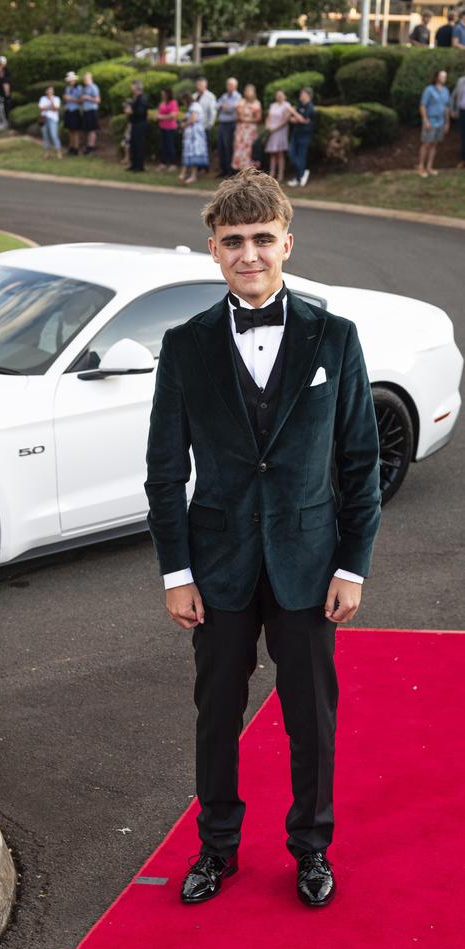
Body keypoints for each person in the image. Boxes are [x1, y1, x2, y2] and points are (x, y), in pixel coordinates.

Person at [144, 167, 381, 910]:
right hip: (216, 567)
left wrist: (353, 564)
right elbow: (162, 472)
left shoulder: (334, 337)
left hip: (311, 564)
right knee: (217, 716)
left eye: (262, 239)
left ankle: (311, 848)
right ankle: (217, 849)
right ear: (213, 250)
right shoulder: (184, 346)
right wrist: (175, 573)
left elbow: (360, 462)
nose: (249, 254)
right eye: (233, 241)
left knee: (311, 717)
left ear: (287, 242)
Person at [418, 69, 451, 176]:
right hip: (430, 120)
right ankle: (421, 166)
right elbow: (422, 106)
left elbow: (446, 108)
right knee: (426, 144)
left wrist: (447, 123)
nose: (444, 78)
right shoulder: (429, 90)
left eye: (445, 76)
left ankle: (429, 167)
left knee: (434, 145)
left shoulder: (446, 91)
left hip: (441, 121)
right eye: (442, 76)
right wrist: (425, 120)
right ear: (437, 77)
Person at [287, 86, 315, 188]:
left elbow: (303, 120)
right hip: (296, 133)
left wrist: (293, 112)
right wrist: (297, 117)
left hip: (305, 135)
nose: (300, 96)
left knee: (301, 157)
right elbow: (293, 119)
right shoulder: (299, 105)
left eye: (302, 94)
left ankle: (299, 177)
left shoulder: (310, 107)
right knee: (291, 154)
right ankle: (302, 174)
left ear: (308, 95)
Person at [179, 92, 209, 184]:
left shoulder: (195, 106)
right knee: (189, 154)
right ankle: (183, 174)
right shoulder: (192, 107)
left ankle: (191, 175)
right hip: (191, 135)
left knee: (193, 155)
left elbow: (193, 119)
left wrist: (184, 124)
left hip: (195, 136)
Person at [231, 84, 262, 172]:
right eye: (247, 91)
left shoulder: (257, 103)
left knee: (249, 150)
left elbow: (258, 118)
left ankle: (249, 171)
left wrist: (247, 119)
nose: (248, 93)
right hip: (241, 130)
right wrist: (246, 118)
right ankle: (240, 171)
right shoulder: (241, 102)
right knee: (240, 149)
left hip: (250, 131)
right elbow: (239, 116)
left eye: (250, 91)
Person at [265, 89, 292, 182]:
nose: (279, 97)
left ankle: (280, 175)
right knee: (272, 153)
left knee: (280, 153)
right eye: (278, 95)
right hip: (271, 131)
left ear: (284, 96)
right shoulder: (273, 105)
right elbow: (268, 117)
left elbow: (285, 120)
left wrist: (275, 128)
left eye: (281, 95)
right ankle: (271, 174)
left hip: (280, 131)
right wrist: (268, 126)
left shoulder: (287, 105)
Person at [216, 77, 241, 177]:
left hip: (230, 124)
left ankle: (230, 171)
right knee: (221, 147)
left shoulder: (238, 96)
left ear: (235, 86)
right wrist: (223, 106)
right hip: (222, 124)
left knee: (228, 147)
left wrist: (224, 107)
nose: (228, 87)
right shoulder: (224, 95)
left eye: (230, 85)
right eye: (227, 85)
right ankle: (223, 170)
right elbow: (216, 105)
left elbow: (232, 108)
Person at [124, 80, 149, 172]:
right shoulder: (135, 98)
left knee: (139, 144)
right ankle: (133, 164)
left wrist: (131, 111)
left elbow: (141, 112)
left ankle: (139, 166)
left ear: (137, 88)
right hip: (134, 123)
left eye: (133, 86)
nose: (131, 88)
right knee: (133, 144)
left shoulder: (142, 98)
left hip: (140, 124)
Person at [195, 76, 217, 170]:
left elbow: (212, 112)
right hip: (195, 126)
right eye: (198, 84)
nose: (199, 86)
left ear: (205, 85)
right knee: (196, 147)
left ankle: (206, 167)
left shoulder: (210, 96)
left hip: (204, 126)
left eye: (201, 85)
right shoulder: (194, 96)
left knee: (205, 147)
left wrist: (210, 124)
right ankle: (198, 166)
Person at [156, 86, 179, 172]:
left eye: (164, 94)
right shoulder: (162, 103)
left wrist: (161, 117)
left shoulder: (173, 102)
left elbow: (173, 115)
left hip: (170, 128)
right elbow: (159, 113)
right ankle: (163, 163)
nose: (162, 95)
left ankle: (173, 164)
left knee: (170, 146)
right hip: (162, 127)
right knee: (163, 146)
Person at [39, 85, 62, 160]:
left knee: (54, 135)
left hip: (53, 119)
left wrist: (51, 102)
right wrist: (50, 108)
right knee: (45, 136)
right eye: (48, 90)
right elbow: (41, 108)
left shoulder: (56, 98)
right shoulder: (42, 98)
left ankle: (58, 152)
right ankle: (47, 153)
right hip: (44, 119)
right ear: (46, 91)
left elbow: (55, 108)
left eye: (51, 90)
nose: (50, 92)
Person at [80, 71, 100, 155]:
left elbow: (97, 100)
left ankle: (91, 148)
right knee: (87, 130)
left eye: (86, 79)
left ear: (90, 79)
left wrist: (87, 97)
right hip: (86, 111)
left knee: (92, 130)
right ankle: (88, 147)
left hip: (92, 111)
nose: (84, 80)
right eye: (84, 79)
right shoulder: (86, 88)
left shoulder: (93, 87)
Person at [63, 71, 83, 156]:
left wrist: (70, 99)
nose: (71, 81)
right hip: (68, 110)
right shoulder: (67, 89)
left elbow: (80, 101)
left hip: (75, 110)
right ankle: (71, 147)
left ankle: (76, 148)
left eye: (72, 80)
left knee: (75, 131)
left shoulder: (79, 88)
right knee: (70, 130)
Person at [449, 70, 465, 167]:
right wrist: (452, 110)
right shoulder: (461, 81)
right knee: (463, 136)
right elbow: (453, 96)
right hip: (462, 112)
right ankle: (463, 160)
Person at [0, 55, 12, 121]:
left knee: (6, 105)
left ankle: (7, 119)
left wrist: (7, 92)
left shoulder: (7, 71)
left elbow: (7, 83)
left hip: (6, 94)